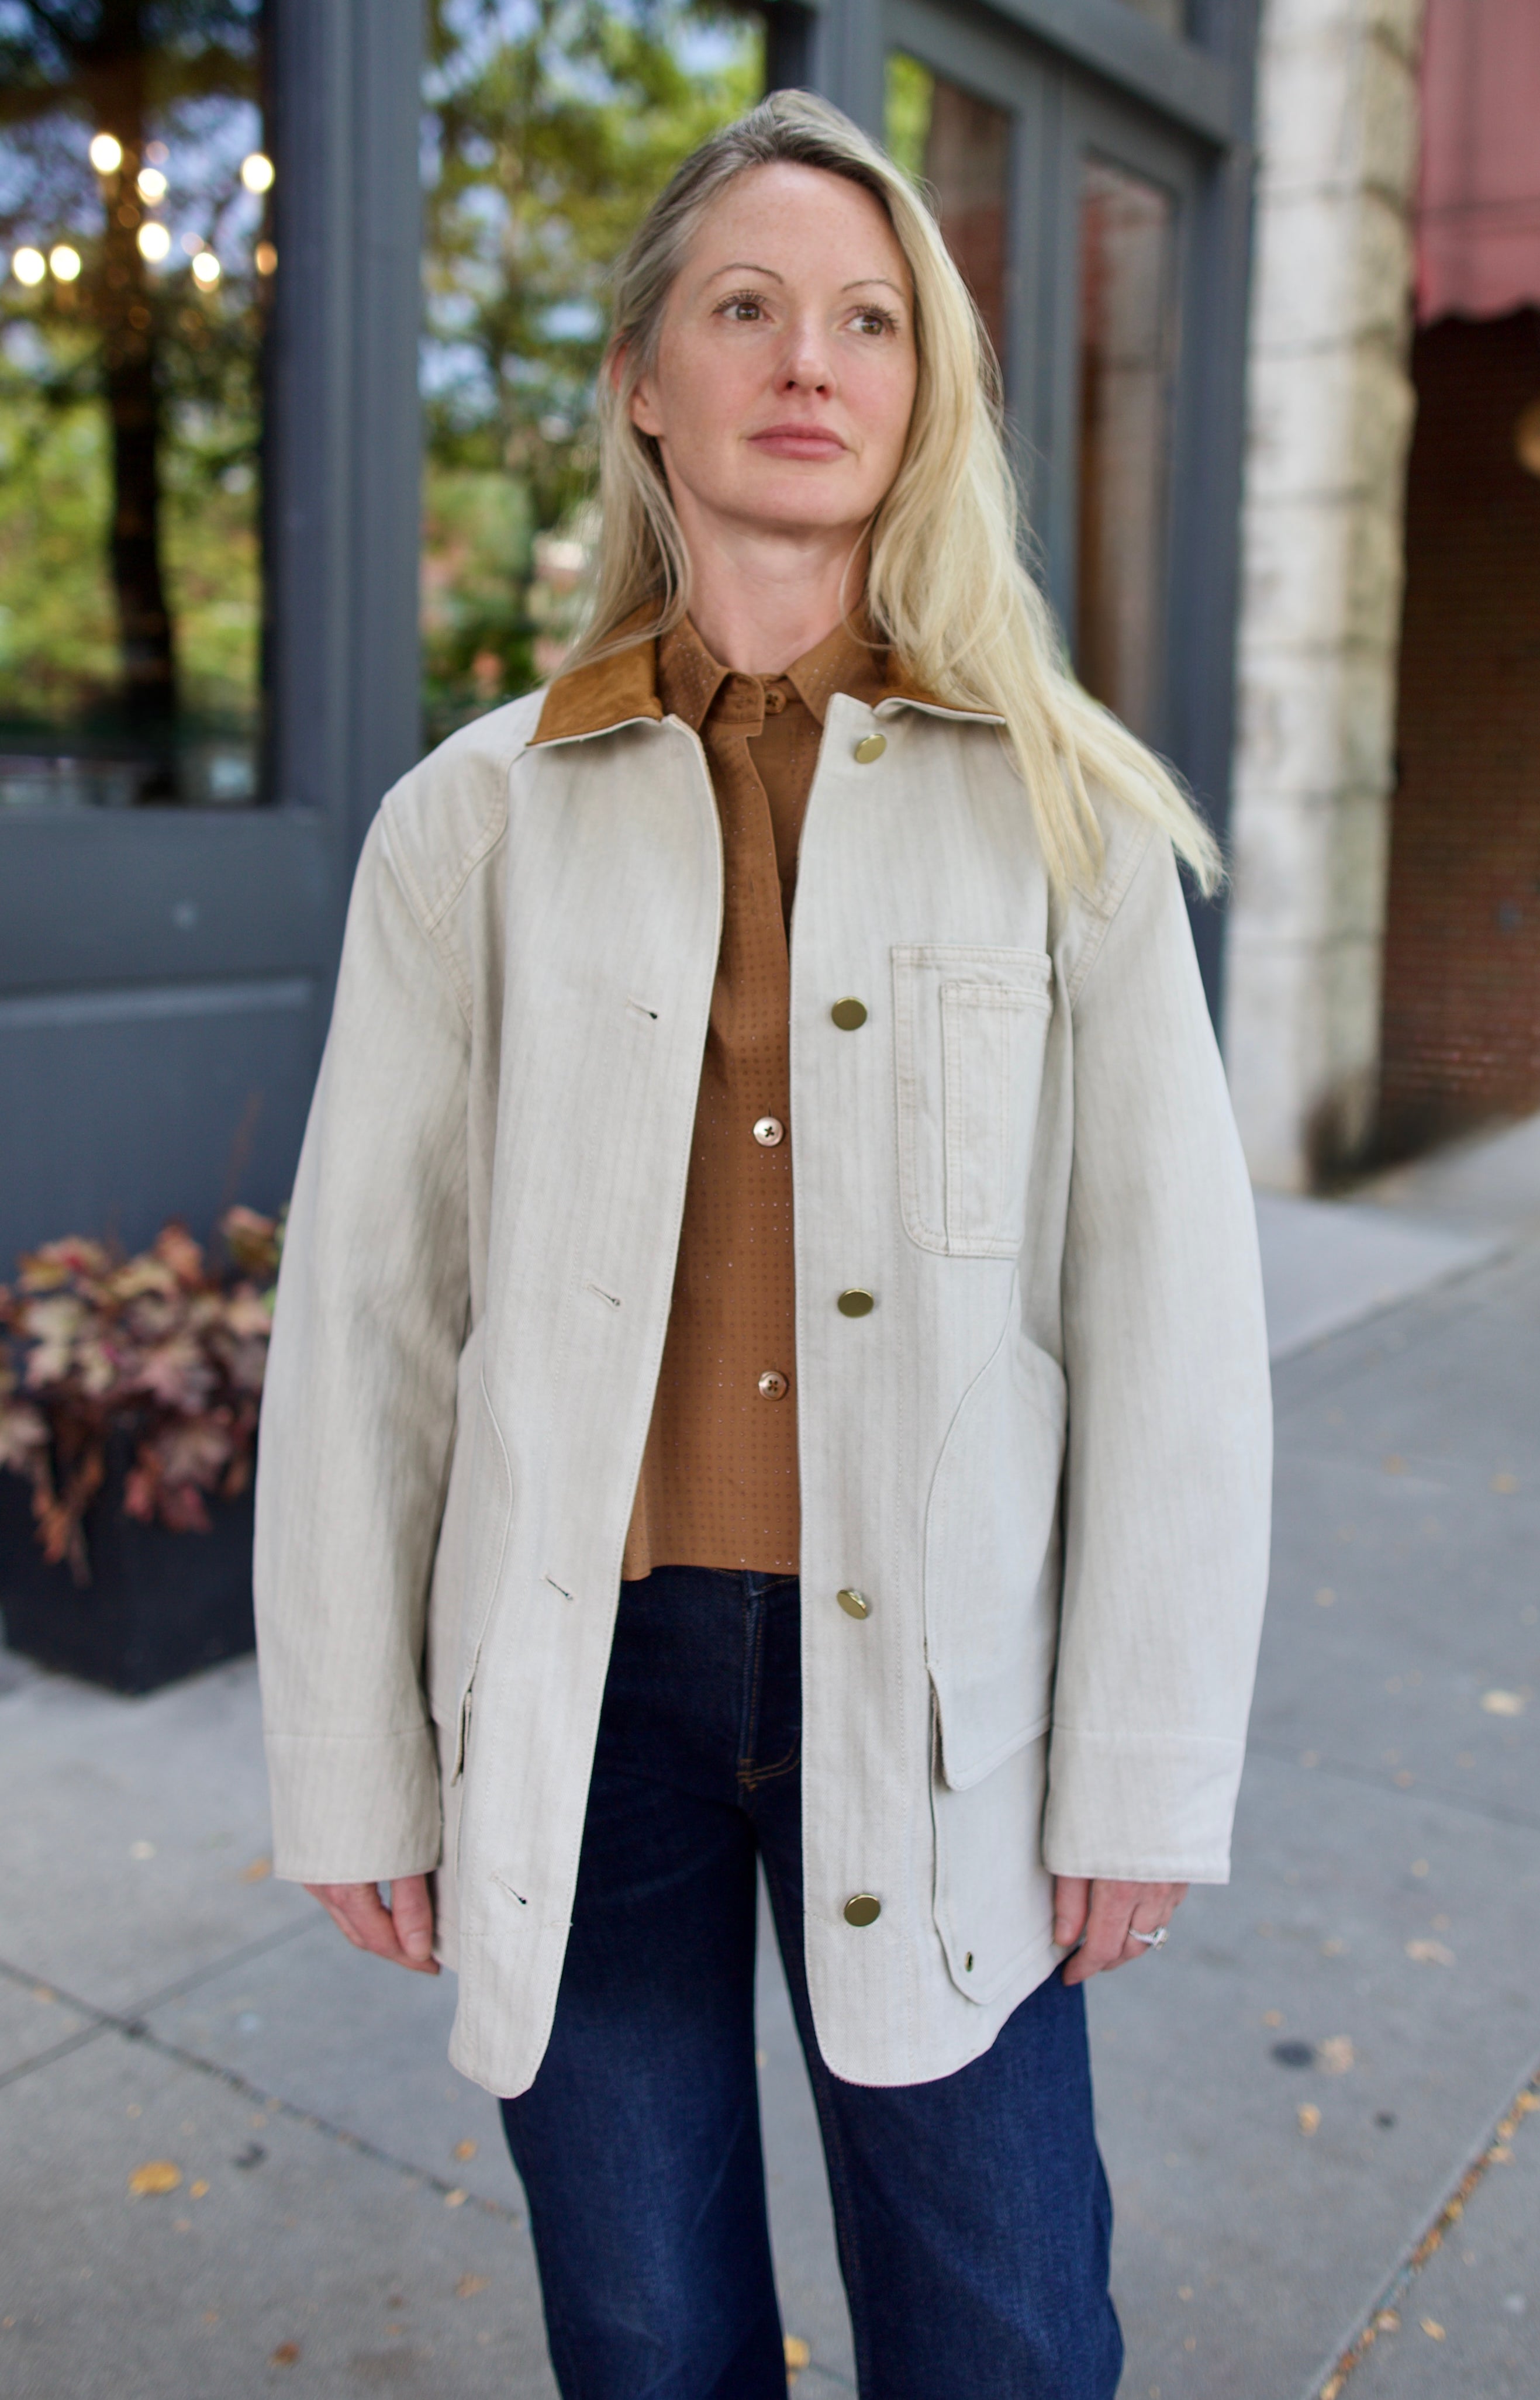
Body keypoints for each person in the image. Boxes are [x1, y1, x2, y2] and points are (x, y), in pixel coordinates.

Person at [254, 89, 1271, 2400]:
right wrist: (347, 1758)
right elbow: (371, 1331)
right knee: (638, 2329)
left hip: (939, 1700)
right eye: (744, 308)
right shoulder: (470, 822)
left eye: (866, 320)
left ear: (920, 396)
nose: (807, 360)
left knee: (1005, 2331)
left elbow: (1171, 1329)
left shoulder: (1065, 816)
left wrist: (1136, 1759)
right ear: (643, 377)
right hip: (576, 1692)